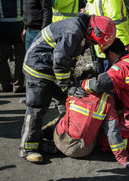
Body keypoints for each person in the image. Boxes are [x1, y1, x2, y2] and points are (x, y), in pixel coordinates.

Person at [19, 13, 116, 163]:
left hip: (52, 68)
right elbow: (60, 60)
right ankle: (28, 148)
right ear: (91, 31)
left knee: (68, 102)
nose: (92, 45)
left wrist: (69, 85)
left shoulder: (79, 30)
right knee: (37, 107)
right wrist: (68, 86)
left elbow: (65, 61)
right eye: (93, 42)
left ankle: (56, 136)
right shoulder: (73, 31)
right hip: (38, 68)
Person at [74, 38, 129, 155]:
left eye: (106, 56)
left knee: (105, 140)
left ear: (111, 54)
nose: (107, 59)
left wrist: (80, 84)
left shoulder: (121, 68)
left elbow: (97, 84)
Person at [54, 91, 129, 170]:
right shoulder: (108, 100)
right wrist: (123, 159)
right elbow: (112, 132)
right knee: (98, 126)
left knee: (63, 117)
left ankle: (44, 138)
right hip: (83, 150)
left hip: (60, 141)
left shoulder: (74, 92)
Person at [0, 0, 26, 93]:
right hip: (20, 31)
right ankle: (18, 85)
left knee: (2, 59)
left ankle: (5, 84)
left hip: (3, 31)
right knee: (20, 59)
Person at [83, 0, 129, 73]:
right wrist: (124, 43)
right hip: (113, 46)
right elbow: (116, 21)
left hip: (101, 46)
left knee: (104, 78)